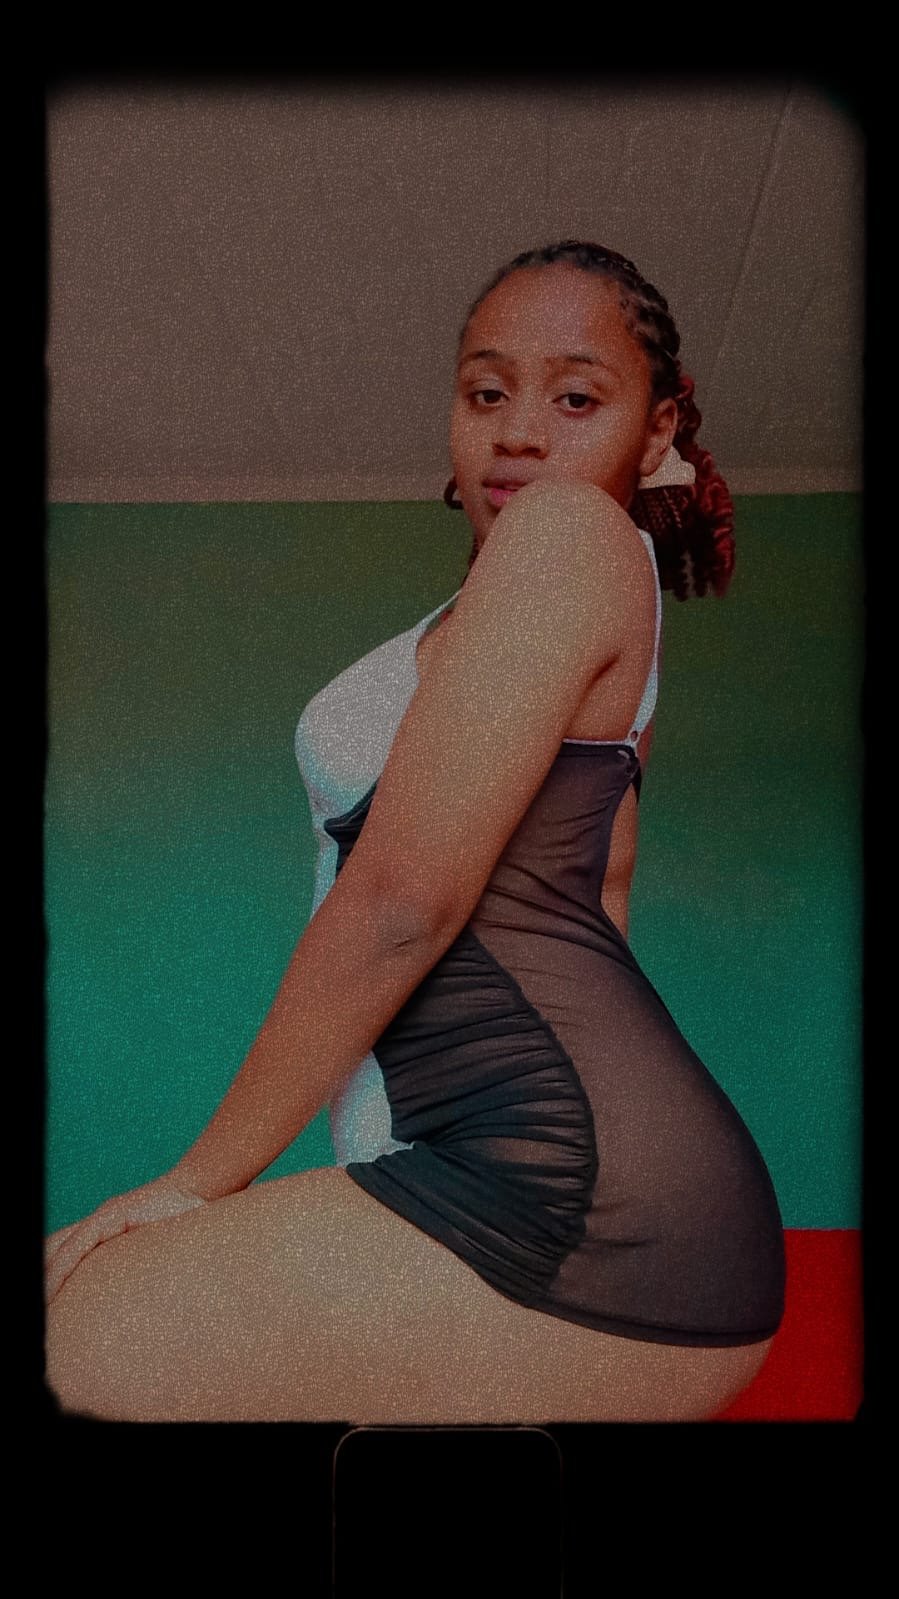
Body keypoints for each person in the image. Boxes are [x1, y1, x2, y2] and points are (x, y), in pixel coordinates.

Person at [44, 239, 786, 1423]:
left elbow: (401, 901)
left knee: (81, 1323)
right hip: (589, 1193)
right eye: (484, 392)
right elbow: (596, 903)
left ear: (655, 436)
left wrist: (195, 1181)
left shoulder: (568, 535)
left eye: (575, 398)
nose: (518, 431)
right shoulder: (547, 594)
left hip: (565, 1203)